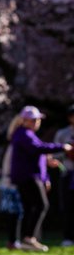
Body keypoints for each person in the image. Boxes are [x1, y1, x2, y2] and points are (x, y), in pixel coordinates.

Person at [8, 105, 71, 251]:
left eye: (37, 120)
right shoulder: (24, 134)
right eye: (34, 120)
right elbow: (38, 148)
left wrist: (45, 175)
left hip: (28, 176)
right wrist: (63, 147)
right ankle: (29, 238)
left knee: (30, 207)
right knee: (41, 204)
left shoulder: (26, 134)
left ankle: (25, 239)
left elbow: (35, 153)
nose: (37, 122)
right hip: (28, 176)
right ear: (25, 120)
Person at [54, 105, 74, 246]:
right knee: (68, 206)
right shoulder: (63, 133)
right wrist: (67, 152)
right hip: (67, 172)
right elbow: (55, 153)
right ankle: (68, 237)